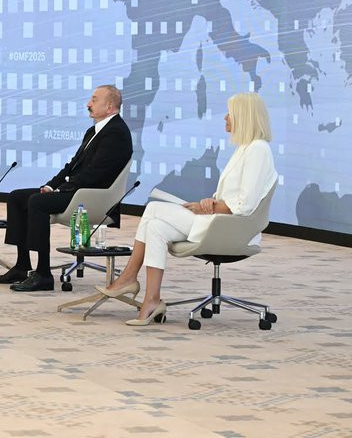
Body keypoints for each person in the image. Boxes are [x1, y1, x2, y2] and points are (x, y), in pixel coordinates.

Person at [97, 92, 277, 326]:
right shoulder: (245, 148)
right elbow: (233, 196)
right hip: (220, 221)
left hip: (231, 228)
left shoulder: (258, 150)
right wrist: (208, 203)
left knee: (153, 209)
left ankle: (129, 277)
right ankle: (152, 300)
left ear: (244, 116)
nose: (225, 118)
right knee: (155, 227)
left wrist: (211, 207)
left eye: (230, 113)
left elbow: (245, 205)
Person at [0, 85, 133, 292]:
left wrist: (62, 189)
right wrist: (50, 186)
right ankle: (22, 266)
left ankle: (43, 274)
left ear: (109, 107)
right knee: (17, 197)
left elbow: (97, 173)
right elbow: (72, 165)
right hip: (76, 190)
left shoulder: (116, 132)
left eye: (94, 100)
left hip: (93, 196)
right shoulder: (94, 130)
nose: (88, 104)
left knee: (37, 202)